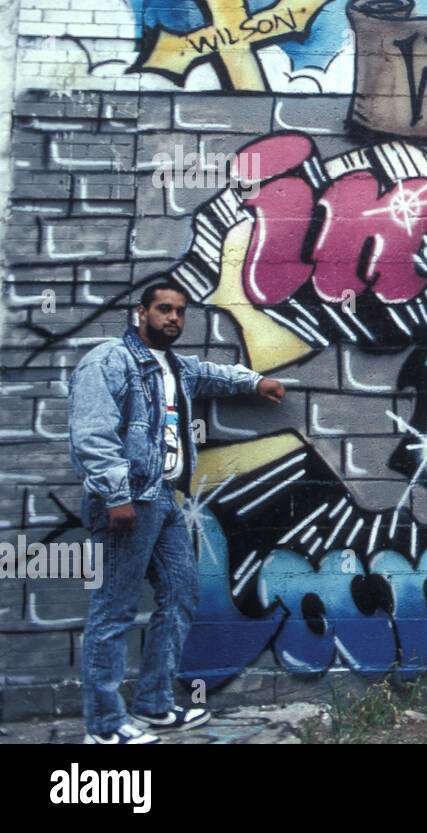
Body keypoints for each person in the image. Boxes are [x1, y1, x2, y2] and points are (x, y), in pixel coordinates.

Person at [68, 279, 286, 744]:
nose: (173, 318)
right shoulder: (110, 361)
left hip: (165, 499)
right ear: (140, 313)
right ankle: (104, 728)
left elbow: (214, 375)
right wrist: (116, 495)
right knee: (113, 611)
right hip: (129, 502)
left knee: (183, 595)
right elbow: (92, 432)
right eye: (163, 309)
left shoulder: (175, 366)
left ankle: (153, 705)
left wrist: (256, 382)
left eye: (180, 312)